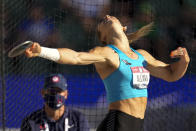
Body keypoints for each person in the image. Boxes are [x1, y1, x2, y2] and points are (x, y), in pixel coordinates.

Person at [25, 15, 190, 131]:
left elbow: (171, 74)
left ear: (123, 27)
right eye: (102, 22)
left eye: (112, 17)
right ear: (103, 37)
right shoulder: (106, 52)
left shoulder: (142, 56)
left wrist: (184, 62)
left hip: (137, 124)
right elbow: (76, 57)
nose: (107, 16)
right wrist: (42, 51)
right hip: (118, 122)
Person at [20, 74, 90, 131]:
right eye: (52, 91)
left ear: (66, 94)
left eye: (59, 91)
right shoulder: (31, 121)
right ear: (43, 93)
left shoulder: (78, 119)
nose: (55, 95)